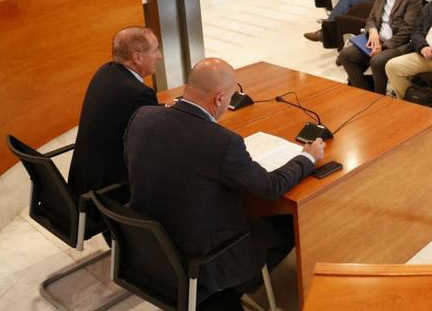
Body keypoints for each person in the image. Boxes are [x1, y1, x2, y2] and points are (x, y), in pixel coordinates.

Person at [125, 58, 326, 308]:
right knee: (290, 223)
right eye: (231, 97)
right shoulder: (222, 142)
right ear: (219, 99)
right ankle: (233, 289)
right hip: (200, 257)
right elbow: (270, 187)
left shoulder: (143, 117)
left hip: (149, 246)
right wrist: (307, 157)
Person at [67, 27, 161, 199]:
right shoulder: (138, 93)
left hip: (82, 182)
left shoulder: (105, 71)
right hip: (105, 194)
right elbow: (153, 144)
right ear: (137, 57)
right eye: (155, 50)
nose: (159, 56)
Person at [337, 0, 422, 94]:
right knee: (345, 55)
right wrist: (372, 31)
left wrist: (383, 46)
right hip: (376, 39)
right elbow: (371, 18)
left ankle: (379, 96)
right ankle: (365, 92)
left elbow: (407, 30)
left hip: (397, 44)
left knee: (377, 61)